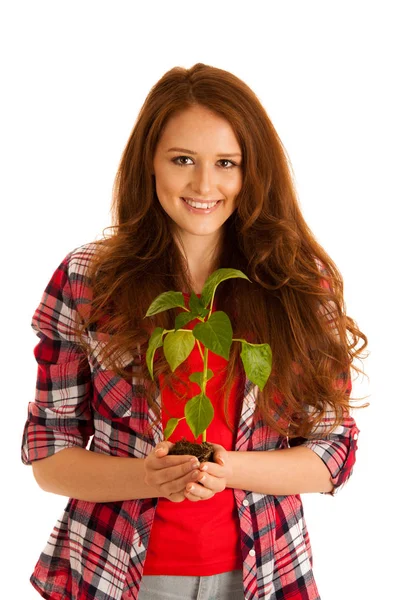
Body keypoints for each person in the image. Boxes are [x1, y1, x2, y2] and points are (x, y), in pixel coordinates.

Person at [21, 63, 368, 600]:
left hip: (265, 574)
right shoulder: (88, 280)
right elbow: (50, 453)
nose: (204, 185)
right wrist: (150, 477)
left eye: (226, 163)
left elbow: (333, 454)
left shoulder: (298, 284)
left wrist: (225, 469)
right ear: (150, 165)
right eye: (183, 160)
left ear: (251, 173)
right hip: (116, 573)